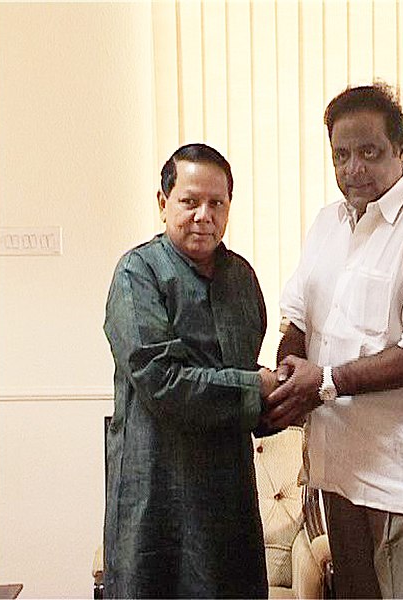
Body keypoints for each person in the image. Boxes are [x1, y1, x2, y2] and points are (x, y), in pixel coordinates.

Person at [263, 83, 403, 599]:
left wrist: (323, 382)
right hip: (337, 465)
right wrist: (289, 373)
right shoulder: (326, 222)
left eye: (369, 152)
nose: (354, 168)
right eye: (341, 155)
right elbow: (298, 322)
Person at [103, 143, 277, 598]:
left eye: (216, 203)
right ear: (163, 203)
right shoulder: (136, 274)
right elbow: (161, 381)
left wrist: (285, 392)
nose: (204, 215)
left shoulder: (241, 277)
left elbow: (243, 370)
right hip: (157, 489)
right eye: (190, 201)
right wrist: (257, 388)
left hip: (228, 491)